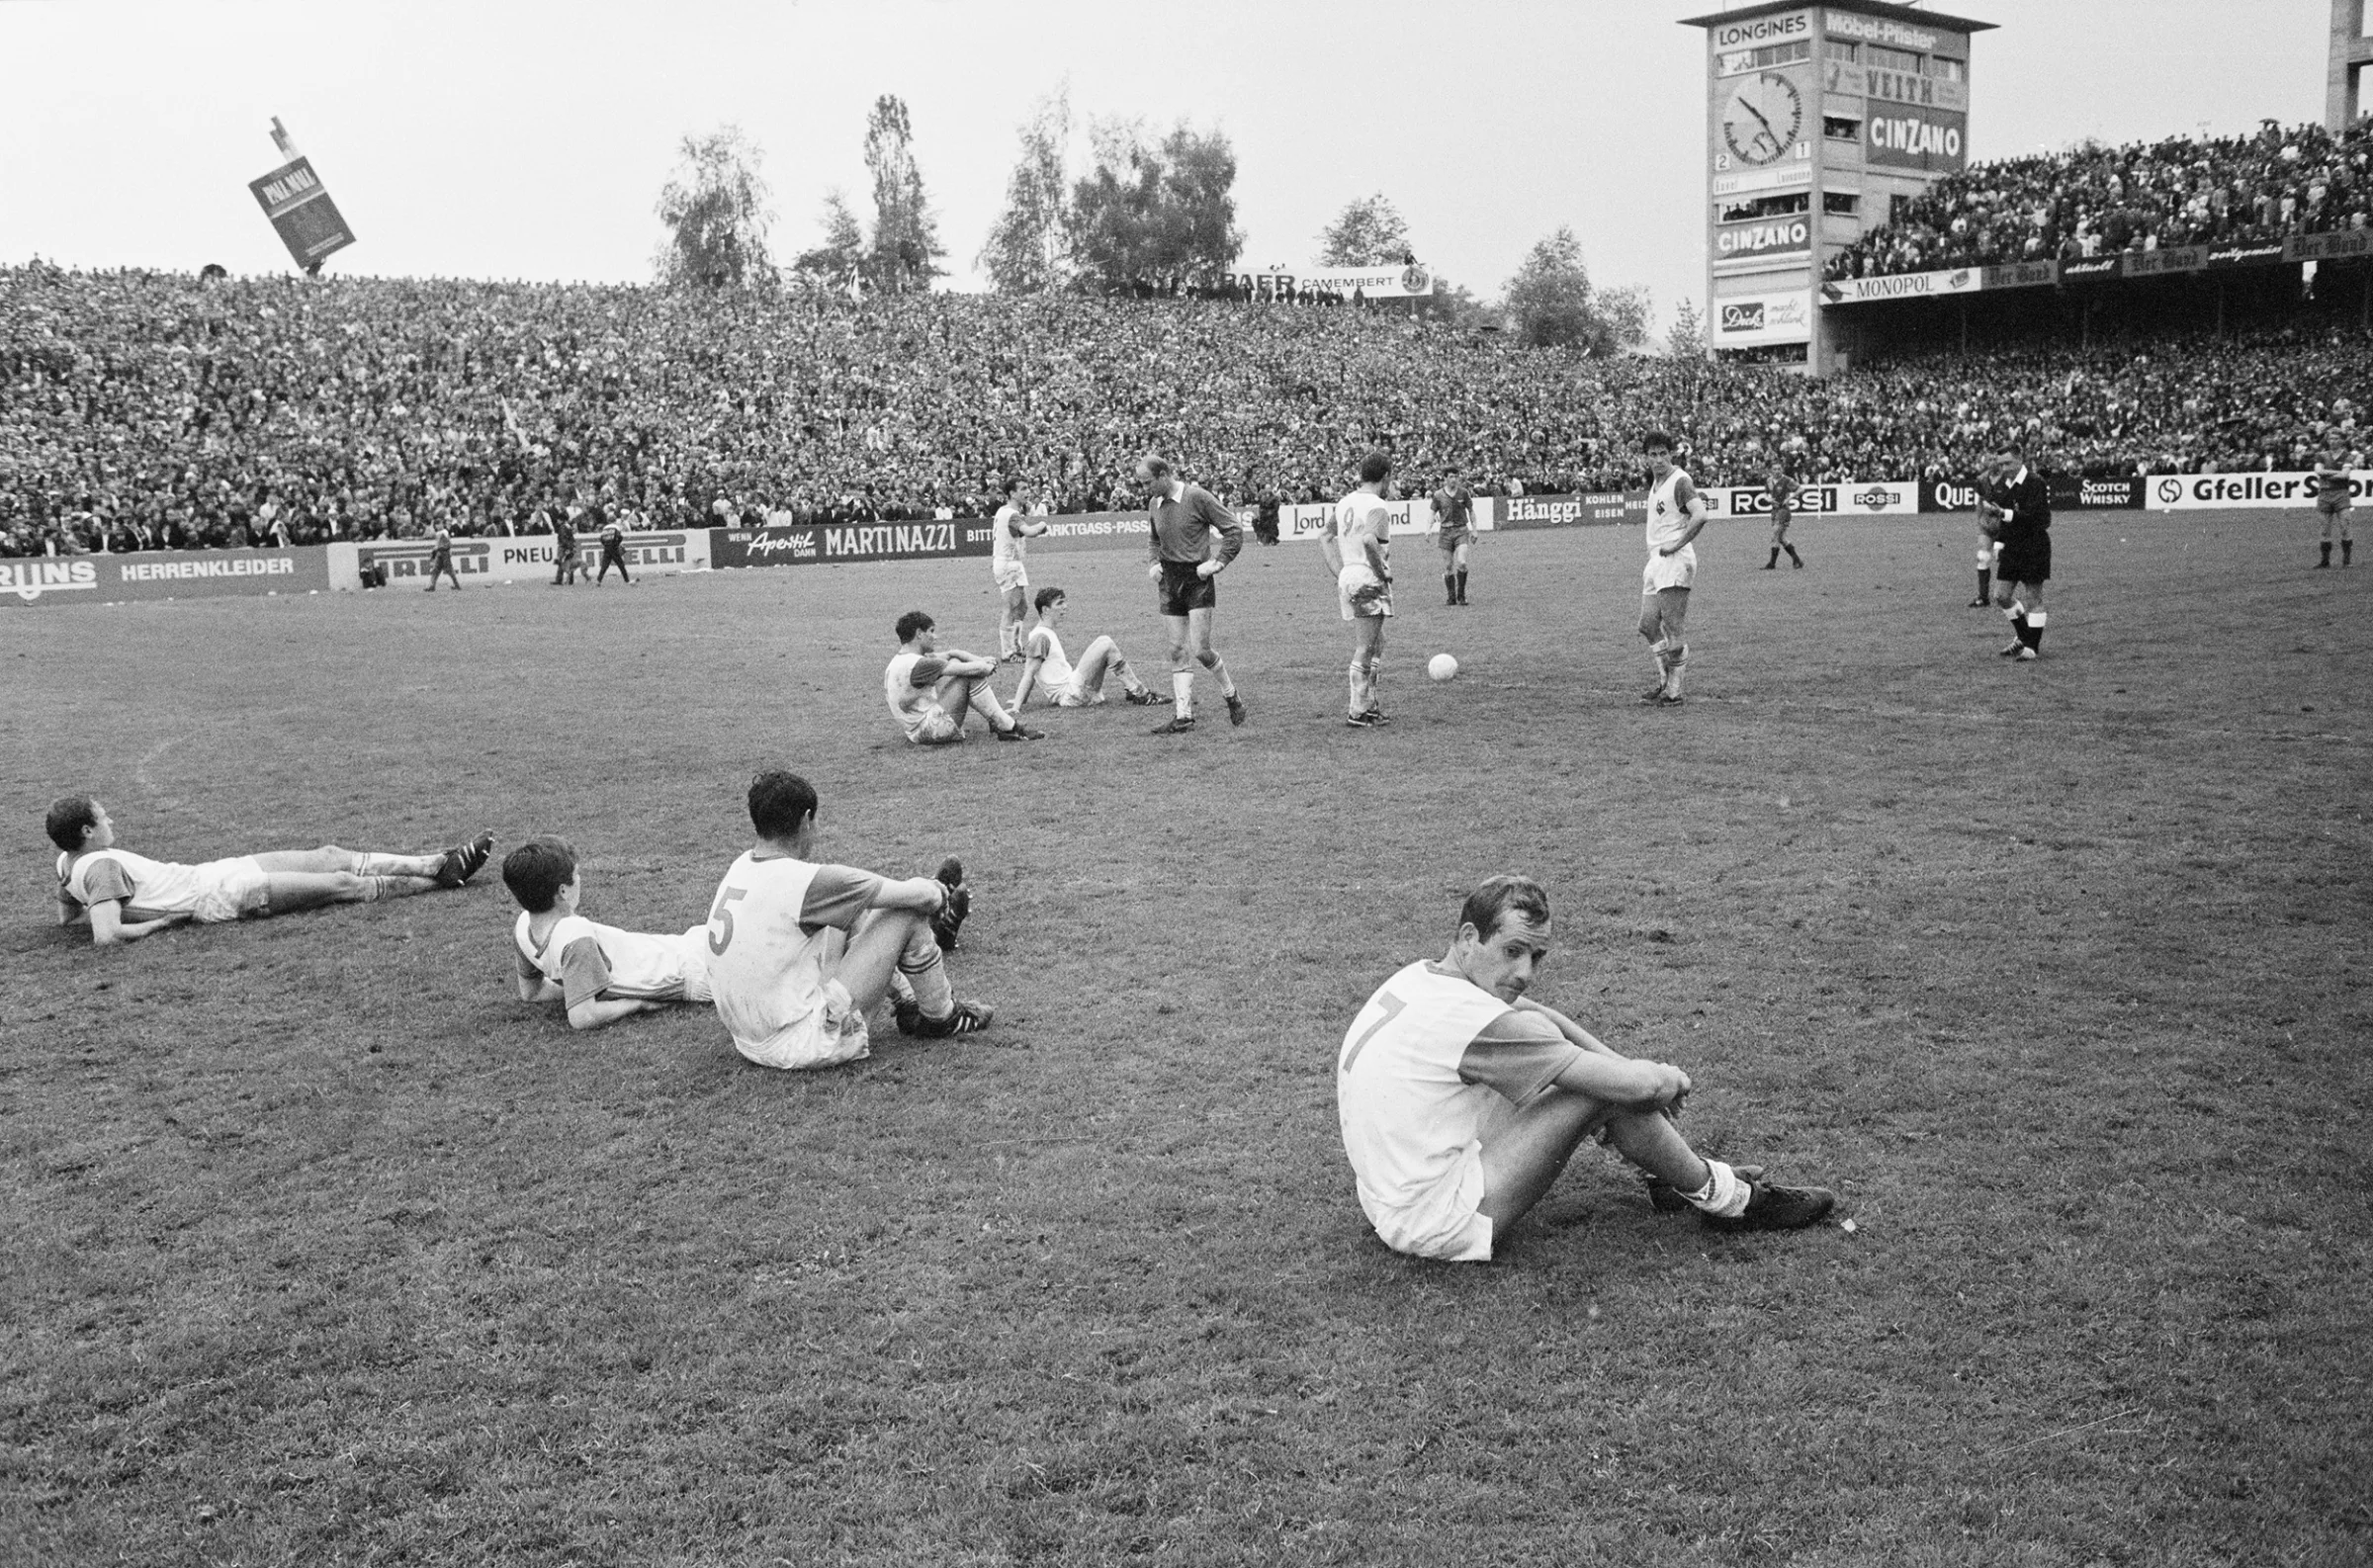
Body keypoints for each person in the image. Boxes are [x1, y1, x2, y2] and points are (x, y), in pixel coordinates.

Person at [1336, 874, 1836, 1262]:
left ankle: (1675, 1177)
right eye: (1513, 951)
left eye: (1536, 956)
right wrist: (1664, 1078)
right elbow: (1634, 1088)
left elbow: (1537, 1018)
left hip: (1387, 1200)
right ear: (1470, 938)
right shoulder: (1471, 1019)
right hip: (1434, 1222)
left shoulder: (1421, 978)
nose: (1525, 973)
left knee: (1582, 1067)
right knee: (1597, 1091)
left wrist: (1623, 1070)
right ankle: (1731, 1202)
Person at [703, 769, 989, 1070]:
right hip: (801, 1042)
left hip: (749, 1038)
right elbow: (922, 898)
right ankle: (943, 1016)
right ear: (806, 820)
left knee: (849, 912)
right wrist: (935, 889)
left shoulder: (741, 866)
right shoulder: (804, 881)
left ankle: (907, 1000)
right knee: (905, 911)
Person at [46, 795, 491, 946]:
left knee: (328, 854)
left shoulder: (68, 862)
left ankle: (435, 862)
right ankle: (436, 881)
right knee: (341, 885)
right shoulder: (101, 864)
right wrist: (160, 921)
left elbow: (70, 915)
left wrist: (103, 905)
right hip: (220, 897)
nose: (111, 822)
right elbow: (106, 935)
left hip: (214, 872)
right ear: (87, 830)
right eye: (103, 819)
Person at [502, 836, 710, 1030]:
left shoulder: (523, 928)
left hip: (684, 950)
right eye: (576, 874)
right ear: (563, 891)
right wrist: (635, 1003)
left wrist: (581, 989)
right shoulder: (574, 935)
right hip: (694, 971)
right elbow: (583, 1016)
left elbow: (532, 992)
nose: (579, 880)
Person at [1134, 454, 1247, 736]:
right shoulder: (1154, 504)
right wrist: (1153, 563)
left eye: (1148, 482)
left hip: (1197, 578)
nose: (1144, 488)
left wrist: (1218, 563)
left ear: (1164, 475)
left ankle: (1231, 694)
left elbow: (1233, 530)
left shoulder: (1197, 497)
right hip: (1169, 580)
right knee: (1175, 649)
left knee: (1200, 650)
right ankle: (1183, 716)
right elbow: (1154, 539)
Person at [884, 610, 1042, 744]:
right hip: (929, 730)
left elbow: (952, 654)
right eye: (931, 631)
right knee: (969, 676)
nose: (935, 636)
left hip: (915, 730)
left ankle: (999, 723)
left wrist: (979, 660)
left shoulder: (901, 660)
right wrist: (987, 664)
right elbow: (976, 670)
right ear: (919, 634)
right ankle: (1008, 726)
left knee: (956, 664)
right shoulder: (920, 663)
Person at [1325, 450, 1396, 727]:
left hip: (1350, 576)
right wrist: (1383, 572)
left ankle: (1370, 705)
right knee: (1366, 646)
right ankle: (1357, 712)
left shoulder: (1344, 502)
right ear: (1385, 476)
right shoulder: (1377, 504)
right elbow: (1369, 539)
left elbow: (1325, 536)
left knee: (1378, 642)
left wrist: (1339, 570)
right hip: (1367, 577)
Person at [1636, 431, 1708, 707]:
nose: (1658, 459)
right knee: (1647, 624)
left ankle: (1674, 692)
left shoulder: (1680, 481)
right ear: (1646, 458)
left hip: (1675, 560)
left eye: (1663, 453)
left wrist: (1677, 543)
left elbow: (1700, 515)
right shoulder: (1656, 484)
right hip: (1656, 561)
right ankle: (1665, 681)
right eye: (1652, 455)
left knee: (1673, 628)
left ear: (1671, 454)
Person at [1011, 586, 1164, 711]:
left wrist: (1022, 701)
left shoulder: (1044, 634)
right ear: (1045, 610)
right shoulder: (1040, 637)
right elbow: (1029, 673)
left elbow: (1031, 674)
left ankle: (1135, 691)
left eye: (1064, 602)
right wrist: (1017, 707)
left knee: (1104, 644)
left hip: (1073, 690)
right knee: (1105, 643)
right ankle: (1140, 693)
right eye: (1059, 604)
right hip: (1071, 694)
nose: (1065, 607)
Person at [1986, 449, 2053, 660]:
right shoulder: (2003, 486)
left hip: (2034, 545)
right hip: (2012, 547)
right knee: (2001, 595)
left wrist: (2004, 514)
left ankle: (2031, 648)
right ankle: (2024, 637)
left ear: (2020, 460)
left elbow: (2040, 519)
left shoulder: (2035, 483)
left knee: (2034, 596)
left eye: (2008, 463)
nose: (2004, 469)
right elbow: (2004, 520)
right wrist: (1998, 542)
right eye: (2001, 464)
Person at [992, 478, 1049, 661]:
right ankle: (1008, 652)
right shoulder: (1012, 515)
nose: (1027, 492)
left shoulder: (1004, 511)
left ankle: (1015, 647)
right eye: (1023, 489)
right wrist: (1042, 525)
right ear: (1012, 493)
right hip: (1009, 564)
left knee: (1022, 606)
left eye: (1028, 488)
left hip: (1010, 563)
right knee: (1010, 608)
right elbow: (1031, 531)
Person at [1430, 474, 1473, 605]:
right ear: (1445, 479)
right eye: (1450, 477)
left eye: (1455, 476)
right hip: (1445, 532)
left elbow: (1471, 510)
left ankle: (1461, 595)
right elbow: (1432, 512)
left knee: (1462, 562)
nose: (1453, 479)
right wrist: (1428, 528)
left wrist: (1475, 529)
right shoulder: (1438, 495)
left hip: (1461, 530)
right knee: (1448, 566)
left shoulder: (1464, 493)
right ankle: (1451, 596)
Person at [2312, 438, 2355, 567]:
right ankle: (2325, 561)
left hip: (2341, 493)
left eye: (2336, 438)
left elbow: (2345, 475)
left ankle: (2346, 561)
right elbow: (2318, 471)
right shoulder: (2322, 455)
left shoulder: (2347, 456)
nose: (2333, 441)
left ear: (2341, 441)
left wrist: (2326, 474)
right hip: (2324, 494)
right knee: (2324, 529)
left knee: (2345, 526)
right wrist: (2338, 472)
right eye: (2331, 438)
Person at [1762, 464, 1802, 569]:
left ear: (1782, 470)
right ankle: (1797, 560)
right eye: (1774, 469)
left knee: (1775, 535)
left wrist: (1788, 499)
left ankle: (1772, 564)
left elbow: (1800, 489)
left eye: (1779, 469)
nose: (1777, 471)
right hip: (1774, 511)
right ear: (1771, 470)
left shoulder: (1786, 480)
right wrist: (1768, 499)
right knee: (1782, 538)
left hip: (1783, 511)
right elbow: (1765, 494)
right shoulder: (1769, 481)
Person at [594, 508, 633, 585]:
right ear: (615, 520)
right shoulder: (616, 527)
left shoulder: (605, 528)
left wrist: (605, 545)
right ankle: (627, 580)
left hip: (607, 548)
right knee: (621, 565)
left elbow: (601, 538)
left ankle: (598, 580)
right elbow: (620, 537)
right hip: (614, 548)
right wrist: (617, 544)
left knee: (604, 565)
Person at [423, 518, 463, 591]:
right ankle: (432, 586)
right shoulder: (440, 533)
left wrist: (445, 549)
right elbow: (439, 543)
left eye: (440, 524)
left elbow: (448, 542)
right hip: (440, 553)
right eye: (438, 524)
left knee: (449, 570)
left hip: (444, 553)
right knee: (435, 570)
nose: (440, 525)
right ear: (436, 525)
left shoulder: (444, 532)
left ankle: (457, 585)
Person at [549, 501, 580, 586]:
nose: (557, 521)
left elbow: (564, 539)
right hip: (570, 546)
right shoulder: (568, 526)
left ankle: (559, 580)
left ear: (561, 520)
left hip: (564, 547)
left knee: (561, 563)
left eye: (558, 519)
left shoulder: (562, 527)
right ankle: (570, 580)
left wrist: (567, 548)